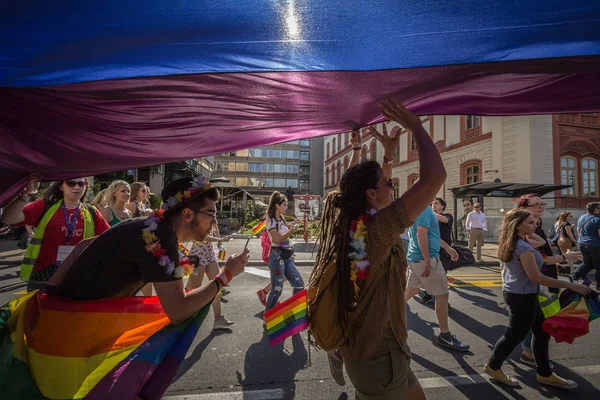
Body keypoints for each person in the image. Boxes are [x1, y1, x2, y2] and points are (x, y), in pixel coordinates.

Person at [312, 98, 446, 399]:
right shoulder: (377, 229)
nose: (393, 186)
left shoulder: (351, 223)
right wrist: (415, 127)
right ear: (372, 193)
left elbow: (352, 191)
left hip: (384, 348)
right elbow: (435, 178)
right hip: (377, 356)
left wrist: (385, 156)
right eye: (389, 183)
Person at [48, 176, 249, 325]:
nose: (214, 222)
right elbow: (178, 311)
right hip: (70, 323)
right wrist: (227, 274)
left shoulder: (150, 225)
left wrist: (48, 295)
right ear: (187, 214)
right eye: (211, 214)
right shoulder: (161, 237)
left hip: (63, 312)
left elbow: (84, 245)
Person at [484, 208, 589, 389]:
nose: (536, 224)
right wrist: (571, 285)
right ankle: (493, 366)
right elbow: (537, 277)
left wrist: (564, 256)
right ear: (517, 225)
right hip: (522, 297)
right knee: (514, 335)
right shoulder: (523, 247)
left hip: (519, 293)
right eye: (531, 223)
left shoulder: (516, 241)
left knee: (541, 332)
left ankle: (545, 373)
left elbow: (542, 257)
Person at [0, 176, 110, 290]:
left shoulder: (92, 212)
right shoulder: (44, 206)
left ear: (85, 186)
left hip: (77, 273)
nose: (76, 187)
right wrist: (26, 194)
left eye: (80, 184)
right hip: (43, 274)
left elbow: (108, 238)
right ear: (61, 186)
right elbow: (8, 219)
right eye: (71, 183)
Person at [404, 206, 468, 351]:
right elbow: (421, 234)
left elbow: (430, 235)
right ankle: (445, 335)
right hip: (426, 258)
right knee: (442, 294)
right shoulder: (425, 210)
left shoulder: (418, 209)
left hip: (415, 257)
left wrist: (447, 248)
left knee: (412, 290)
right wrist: (427, 260)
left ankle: (387, 316)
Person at [183, 228, 235, 330]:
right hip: (197, 255)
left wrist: (219, 239)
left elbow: (214, 229)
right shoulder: (196, 217)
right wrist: (219, 239)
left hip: (209, 254)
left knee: (217, 286)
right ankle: (185, 319)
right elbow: (201, 237)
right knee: (194, 290)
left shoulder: (210, 218)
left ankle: (218, 319)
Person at [264, 191, 304, 311]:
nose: (286, 207)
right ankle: (268, 317)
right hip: (277, 257)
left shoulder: (281, 219)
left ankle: (295, 312)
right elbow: (277, 239)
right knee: (277, 289)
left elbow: (283, 232)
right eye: (284, 205)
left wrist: (293, 225)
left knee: (299, 285)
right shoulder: (271, 221)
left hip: (286, 256)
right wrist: (291, 231)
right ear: (277, 205)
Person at [418, 197, 454, 304]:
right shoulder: (429, 218)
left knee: (442, 276)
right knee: (430, 273)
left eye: (436, 203)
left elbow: (441, 219)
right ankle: (428, 294)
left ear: (442, 206)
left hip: (443, 251)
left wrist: (425, 211)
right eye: (432, 203)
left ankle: (442, 298)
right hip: (431, 249)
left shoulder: (447, 216)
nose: (433, 205)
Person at [570, 202, 600, 287]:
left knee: (588, 263)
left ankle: (574, 276)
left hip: (582, 243)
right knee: (598, 265)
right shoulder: (598, 219)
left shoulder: (582, 217)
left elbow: (578, 231)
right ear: (596, 209)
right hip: (595, 245)